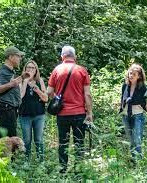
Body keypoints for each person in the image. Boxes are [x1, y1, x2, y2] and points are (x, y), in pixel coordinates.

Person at [47, 45, 93, 173]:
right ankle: (78, 172)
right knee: (79, 143)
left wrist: (57, 97)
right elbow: (87, 94)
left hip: (62, 114)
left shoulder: (57, 70)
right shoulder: (82, 70)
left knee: (63, 143)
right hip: (79, 113)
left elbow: (49, 92)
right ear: (75, 57)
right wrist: (89, 113)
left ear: (62, 56)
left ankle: (62, 171)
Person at [0, 46, 25, 137]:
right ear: (10, 57)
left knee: (8, 139)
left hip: (10, 110)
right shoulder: (3, 71)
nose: (20, 59)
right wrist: (11, 84)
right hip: (6, 109)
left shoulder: (10, 72)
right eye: (18, 56)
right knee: (8, 140)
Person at [19, 60, 48, 161]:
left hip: (39, 115)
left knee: (38, 139)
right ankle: (27, 160)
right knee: (26, 140)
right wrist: (26, 81)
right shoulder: (21, 81)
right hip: (24, 115)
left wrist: (38, 90)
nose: (30, 70)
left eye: (32, 68)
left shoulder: (40, 81)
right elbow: (20, 96)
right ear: (25, 69)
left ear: (36, 70)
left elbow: (46, 99)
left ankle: (41, 161)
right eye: (28, 68)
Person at [119, 64, 146, 159]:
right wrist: (121, 107)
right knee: (130, 140)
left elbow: (143, 102)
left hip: (137, 115)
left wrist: (131, 100)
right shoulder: (125, 86)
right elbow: (122, 99)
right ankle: (134, 160)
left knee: (137, 139)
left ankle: (139, 161)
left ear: (139, 76)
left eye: (134, 74)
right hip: (126, 115)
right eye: (130, 73)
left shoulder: (143, 87)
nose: (131, 76)